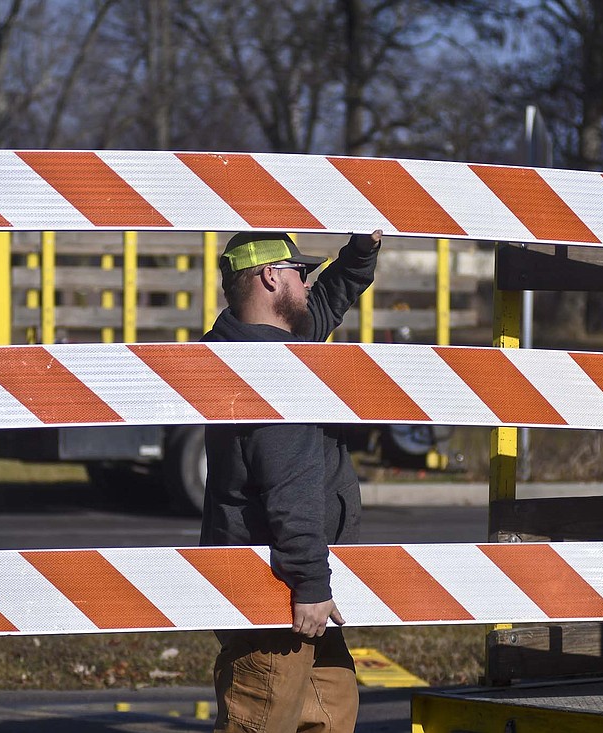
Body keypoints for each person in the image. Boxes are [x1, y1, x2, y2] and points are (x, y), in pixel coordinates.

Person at [201, 229, 383, 733]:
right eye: (301, 274)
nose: (310, 283)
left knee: (330, 713)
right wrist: (310, 581)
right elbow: (291, 488)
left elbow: (325, 304)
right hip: (278, 595)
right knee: (263, 720)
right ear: (271, 276)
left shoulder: (250, 340)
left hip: (303, 590)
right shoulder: (270, 370)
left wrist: (360, 254)